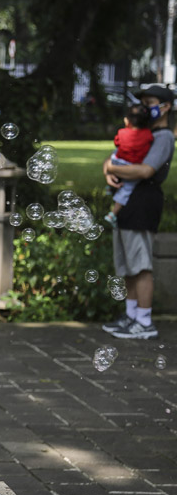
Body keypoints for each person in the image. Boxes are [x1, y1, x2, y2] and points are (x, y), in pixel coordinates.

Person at [101, 84, 175, 340]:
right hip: (127, 200)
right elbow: (116, 157)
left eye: (150, 103)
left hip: (143, 201)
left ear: (165, 107)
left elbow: (145, 170)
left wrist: (112, 168)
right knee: (127, 264)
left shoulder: (163, 136)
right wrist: (108, 167)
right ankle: (131, 315)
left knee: (140, 264)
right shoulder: (142, 132)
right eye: (143, 103)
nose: (144, 108)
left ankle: (144, 321)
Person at [103, 103, 153, 228]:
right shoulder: (148, 134)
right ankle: (113, 214)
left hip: (117, 161)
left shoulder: (122, 132)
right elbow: (149, 144)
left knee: (113, 158)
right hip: (131, 165)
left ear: (127, 121)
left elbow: (117, 143)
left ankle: (109, 187)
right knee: (127, 189)